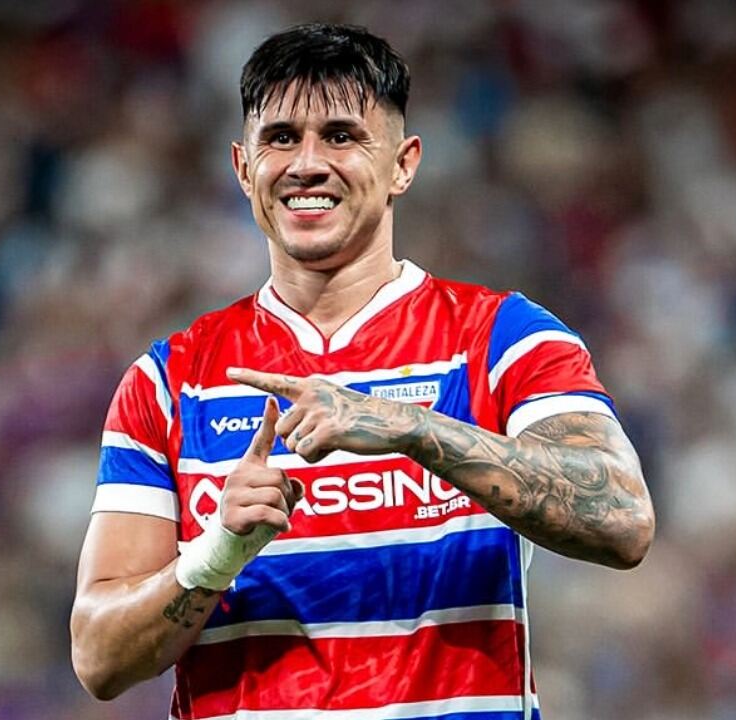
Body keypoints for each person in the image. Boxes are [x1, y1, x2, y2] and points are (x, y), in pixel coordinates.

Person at [70, 23, 654, 719]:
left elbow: (623, 520)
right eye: (281, 138)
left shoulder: (500, 339)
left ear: (404, 164)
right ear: (243, 168)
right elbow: (99, 658)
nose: (307, 164)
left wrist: (410, 428)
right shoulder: (170, 381)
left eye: (342, 136)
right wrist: (216, 554)